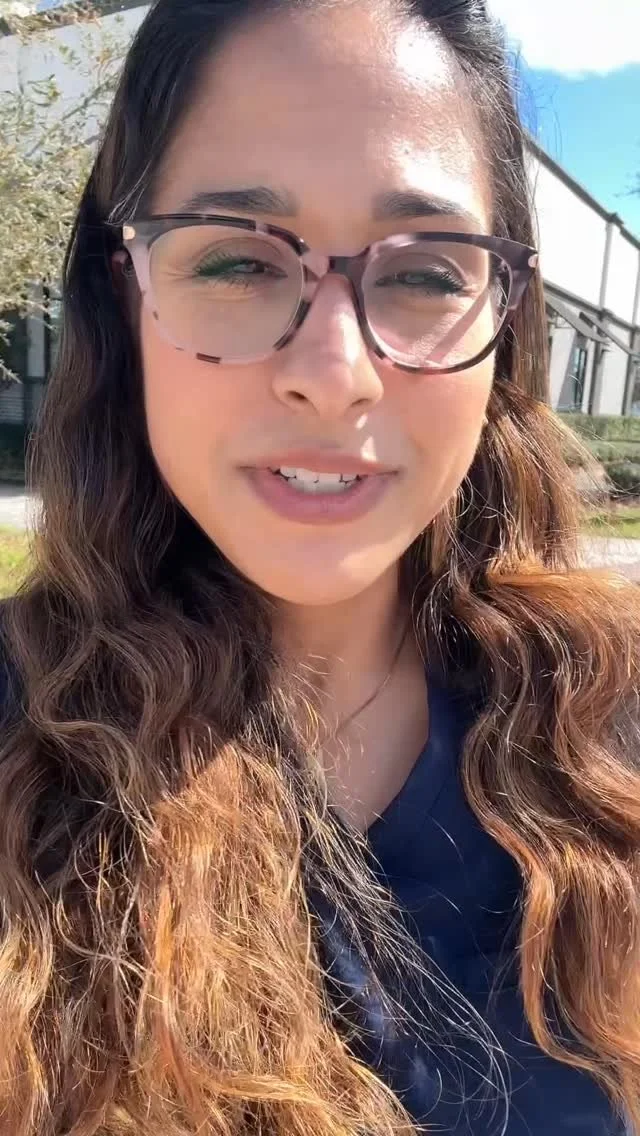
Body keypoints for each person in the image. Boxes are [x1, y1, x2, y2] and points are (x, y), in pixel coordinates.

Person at [0, 0, 639, 1132]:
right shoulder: (18, 734)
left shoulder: (612, 729)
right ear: (124, 295)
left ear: (505, 321)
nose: (335, 373)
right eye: (237, 258)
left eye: (426, 274)